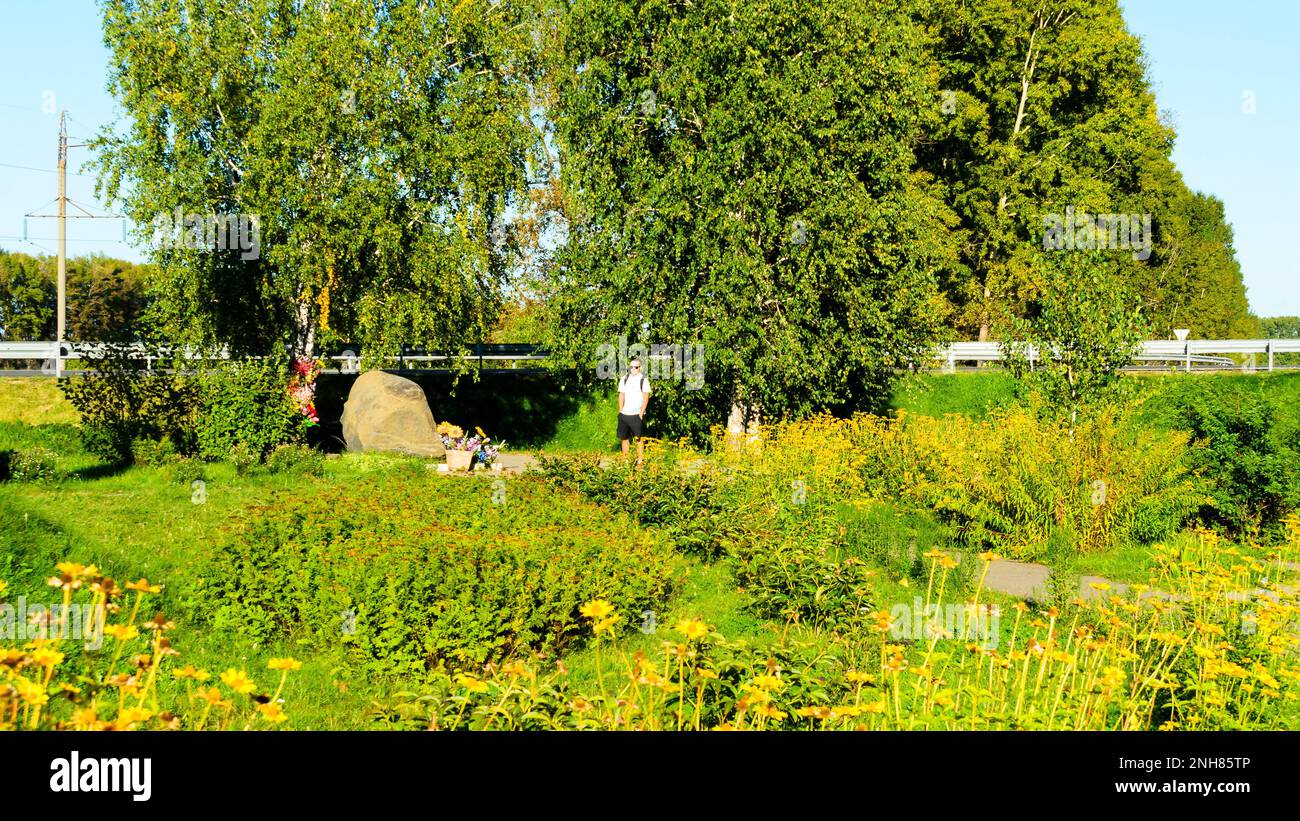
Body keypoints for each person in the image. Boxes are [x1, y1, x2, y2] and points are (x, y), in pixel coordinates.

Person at [617, 358, 651, 467]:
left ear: (640, 368)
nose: (633, 369)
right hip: (624, 414)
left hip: (636, 415)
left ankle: (640, 461)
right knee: (624, 438)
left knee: (638, 439)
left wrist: (641, 413)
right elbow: (621, 394)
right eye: (631, 367)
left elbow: (646, 397)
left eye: (635, 367)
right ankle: (625, 460)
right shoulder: (624, 379)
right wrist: (620, 410)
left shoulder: (643, 380)